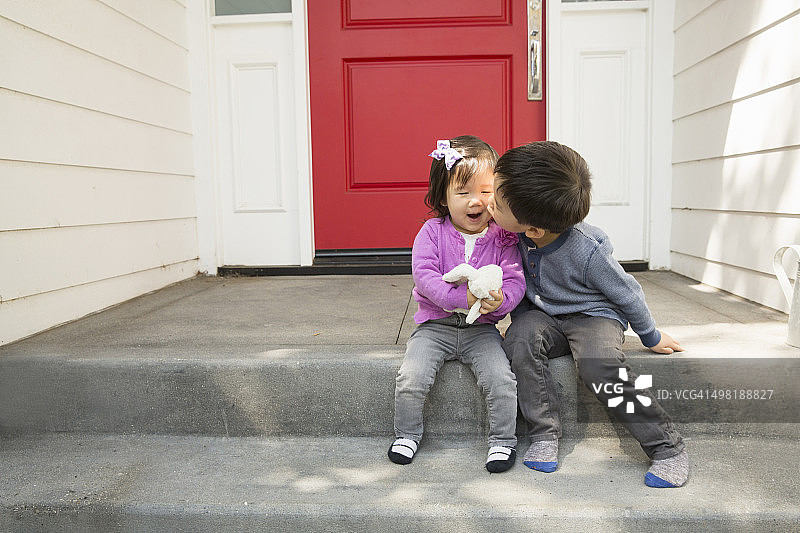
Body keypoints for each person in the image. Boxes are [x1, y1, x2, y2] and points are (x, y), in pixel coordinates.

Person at [487, 141, 688, 487]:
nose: (489, 201)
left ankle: (667, 448)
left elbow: (628, 293)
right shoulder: (511, 233)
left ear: (533, 230)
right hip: (544, 316)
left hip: (595, 317)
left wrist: (650, 335)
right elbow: (515, 282)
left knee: (598, 364)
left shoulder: (589, 249)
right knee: (519, 339)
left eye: (497, 203)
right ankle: (544, 433)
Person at [389, 136, 526, 473]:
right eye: (463, 193)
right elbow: (425, 276)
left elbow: (514, 279)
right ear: (444, 197)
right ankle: (406, 434)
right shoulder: (432, 232)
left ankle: (503, 441)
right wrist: (459, 299)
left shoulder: (502, 236)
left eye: (485, 191)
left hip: (482, 330)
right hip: (434, 327)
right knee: (412, 376)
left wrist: (499, 302)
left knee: (501, 380)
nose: (475, 201)